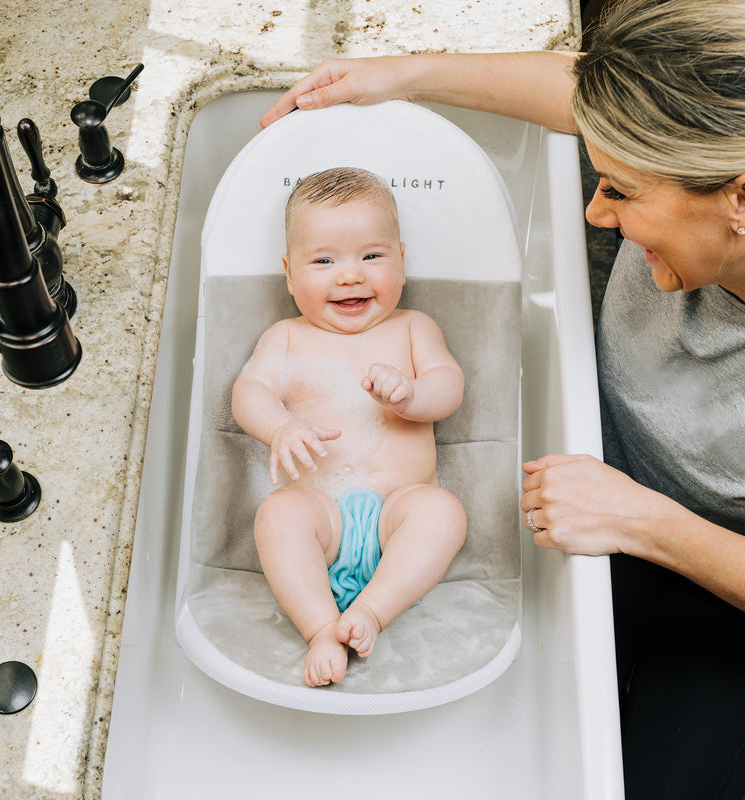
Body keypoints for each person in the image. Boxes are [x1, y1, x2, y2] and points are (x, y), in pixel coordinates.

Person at [259, 1, 745, 797]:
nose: (596, 213)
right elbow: (587, 96)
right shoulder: (705, 157)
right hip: (604, 498)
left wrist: (643, 522)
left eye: (620, 190)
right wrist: (398, 76)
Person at [231, 166, 466, 689]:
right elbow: (250, 392)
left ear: (401, 260)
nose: (350, 275)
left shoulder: (413, 327)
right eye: (323, 261)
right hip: (323, 518)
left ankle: (374, 611)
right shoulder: (286, 337)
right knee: (278, 514)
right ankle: (320, 627)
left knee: (442, 511)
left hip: (399, 513)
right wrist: (281, 427)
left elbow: (448, 386)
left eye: (372, 256)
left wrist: (412, 394)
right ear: (290, 274)